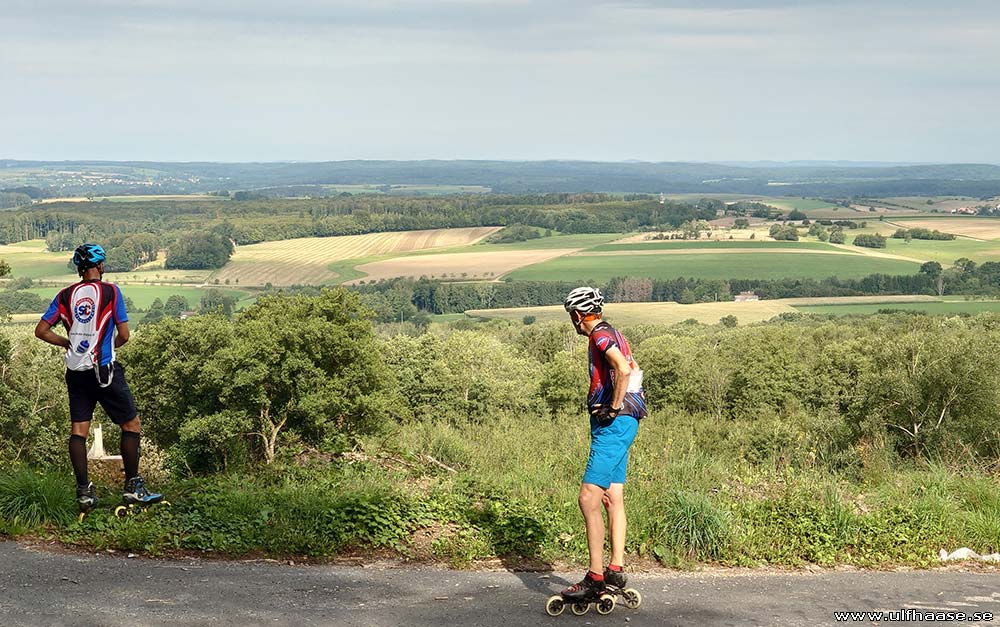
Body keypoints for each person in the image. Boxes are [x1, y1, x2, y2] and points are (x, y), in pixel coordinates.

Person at [33, 243, 162, 514]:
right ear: (100, 266)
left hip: (76, 372)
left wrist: (66, 343)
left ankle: (84, 492)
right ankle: (133, 487)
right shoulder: (111, 292)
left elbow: (41, 330)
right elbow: (125, 335)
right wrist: (109, 348)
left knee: (78, 431)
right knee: (131, 424)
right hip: (104, 370)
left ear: (80, 268)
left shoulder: (65, 295)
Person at [560, 286, 646, 601]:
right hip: (627, 422)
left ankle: (595, 577)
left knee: (588, 498)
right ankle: (615, 570)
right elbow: (631, 367)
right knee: (613, 495)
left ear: (578, 314)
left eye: (572, 315)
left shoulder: (599, 335)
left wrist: (612, 406)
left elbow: (623, 369)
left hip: (613, 424)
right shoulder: (614, 331)